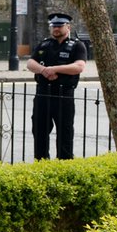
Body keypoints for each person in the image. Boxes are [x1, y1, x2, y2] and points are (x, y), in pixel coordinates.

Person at [27, 13, 87, 160]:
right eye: (54, 26)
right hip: (43, 93)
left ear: (68, 27)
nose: (56, 29)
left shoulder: (77, 45)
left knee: (64, 132)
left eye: (60, 26)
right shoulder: (44, 44)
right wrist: (44, 71)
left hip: (63, 94)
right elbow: (30, 63)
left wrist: (54, 69)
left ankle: (64, 163)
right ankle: (41, 162)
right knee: (39, 130)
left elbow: (79, 66)